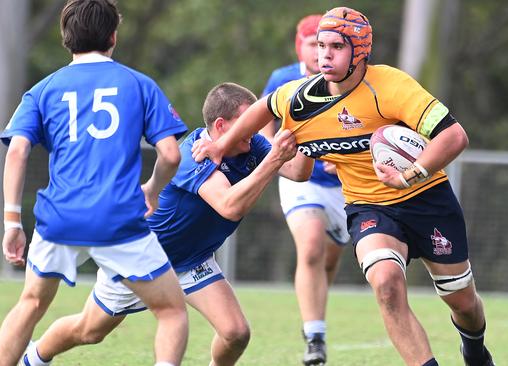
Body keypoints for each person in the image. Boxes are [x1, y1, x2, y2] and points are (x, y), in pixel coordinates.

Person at [192, 7, 495, 366]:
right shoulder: (302, 98)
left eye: (337, 46)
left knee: (462, 301)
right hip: (369, 207)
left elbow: (454, 136)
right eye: (321, 45)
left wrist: (410, 173)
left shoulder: (391, 86)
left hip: (426, 199)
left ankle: (473, 347)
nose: (325, 55)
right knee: (385, 282)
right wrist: (220, 146)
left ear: (360, 51)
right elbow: (264, 109)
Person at [19, 82, 308, 366]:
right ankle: (35, 356)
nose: (254, 129)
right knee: (89, 330)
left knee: (235, 333)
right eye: (246, 122)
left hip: (191, 260)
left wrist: (309, 129)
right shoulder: (196, 153)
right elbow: (230, 206)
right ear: (220, 125)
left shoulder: (250, 143)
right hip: (144, 257)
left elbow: (298, 172)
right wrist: (272, 160)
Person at [0, 1, 190, 365]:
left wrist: (12, 221)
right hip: (118, 220)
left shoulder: (43, 89)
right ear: (113, 37)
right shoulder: (139, 84)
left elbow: (17, 151)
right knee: (170, 311)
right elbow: (170, 154)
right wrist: (151, 188)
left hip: (59, 219)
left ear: (65, 38)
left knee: (32, 303)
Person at [260, 14, 350, 366]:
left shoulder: (350, 79)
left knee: (328, 261)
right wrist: (278, 156)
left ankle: (316, 320)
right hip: (301, 181)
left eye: (327, 44)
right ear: (301, 46)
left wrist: (347, 156)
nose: (319, 51)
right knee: (310, 248)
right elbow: (262, 128)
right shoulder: (283, 80)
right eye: (313, 44)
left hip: (344, 187)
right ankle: (315, 337)